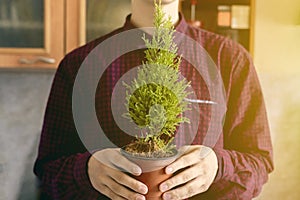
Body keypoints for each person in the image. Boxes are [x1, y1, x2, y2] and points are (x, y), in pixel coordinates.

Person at [34, 0, 273, 199]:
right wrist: (85, 172)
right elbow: (48, 170)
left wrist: (219, 167)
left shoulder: (229, 59)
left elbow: (259, 162)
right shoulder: (80, 65)